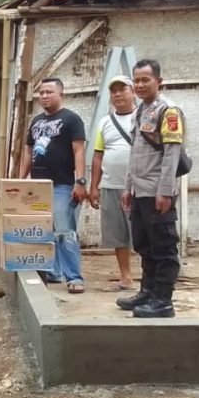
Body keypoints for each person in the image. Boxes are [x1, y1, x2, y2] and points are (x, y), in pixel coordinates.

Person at [118, 59, 186, 319]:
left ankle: (163, 300)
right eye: (136, 80)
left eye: (145, 80)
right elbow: (135, 153)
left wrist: (165, 191)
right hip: (140, 192)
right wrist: (128, 187)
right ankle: (147, 292)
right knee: (144, 245)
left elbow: (171, 153)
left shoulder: (169, 111)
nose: (140, 85)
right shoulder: (140, 111)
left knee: (164, 248)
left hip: (158, 192)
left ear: (159, 81)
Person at [19, 77, 88, 294]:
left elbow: (79, 151)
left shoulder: (71, 119)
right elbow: (28, 152)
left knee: (65, 231)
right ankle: (54, 272)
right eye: (41, 93)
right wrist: (20, 180)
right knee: (45, 231)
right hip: (38, 187)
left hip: (62, 185)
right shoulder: (36, 121)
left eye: (49, 92)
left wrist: (80, 181)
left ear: (61, 94)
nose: (44, 96)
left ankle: (74, 277)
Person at [89, 76, 137, 289]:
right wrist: (94, 186)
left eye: (122, 89)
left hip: (138, 187)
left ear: (132, 92)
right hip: (110, 185)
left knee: (143, 234)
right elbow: (98, 155)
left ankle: (151, 277)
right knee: (118, 235)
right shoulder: (105, 122)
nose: (117, 94)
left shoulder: (143, 116)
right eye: (114, 91)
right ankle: (126, 276)